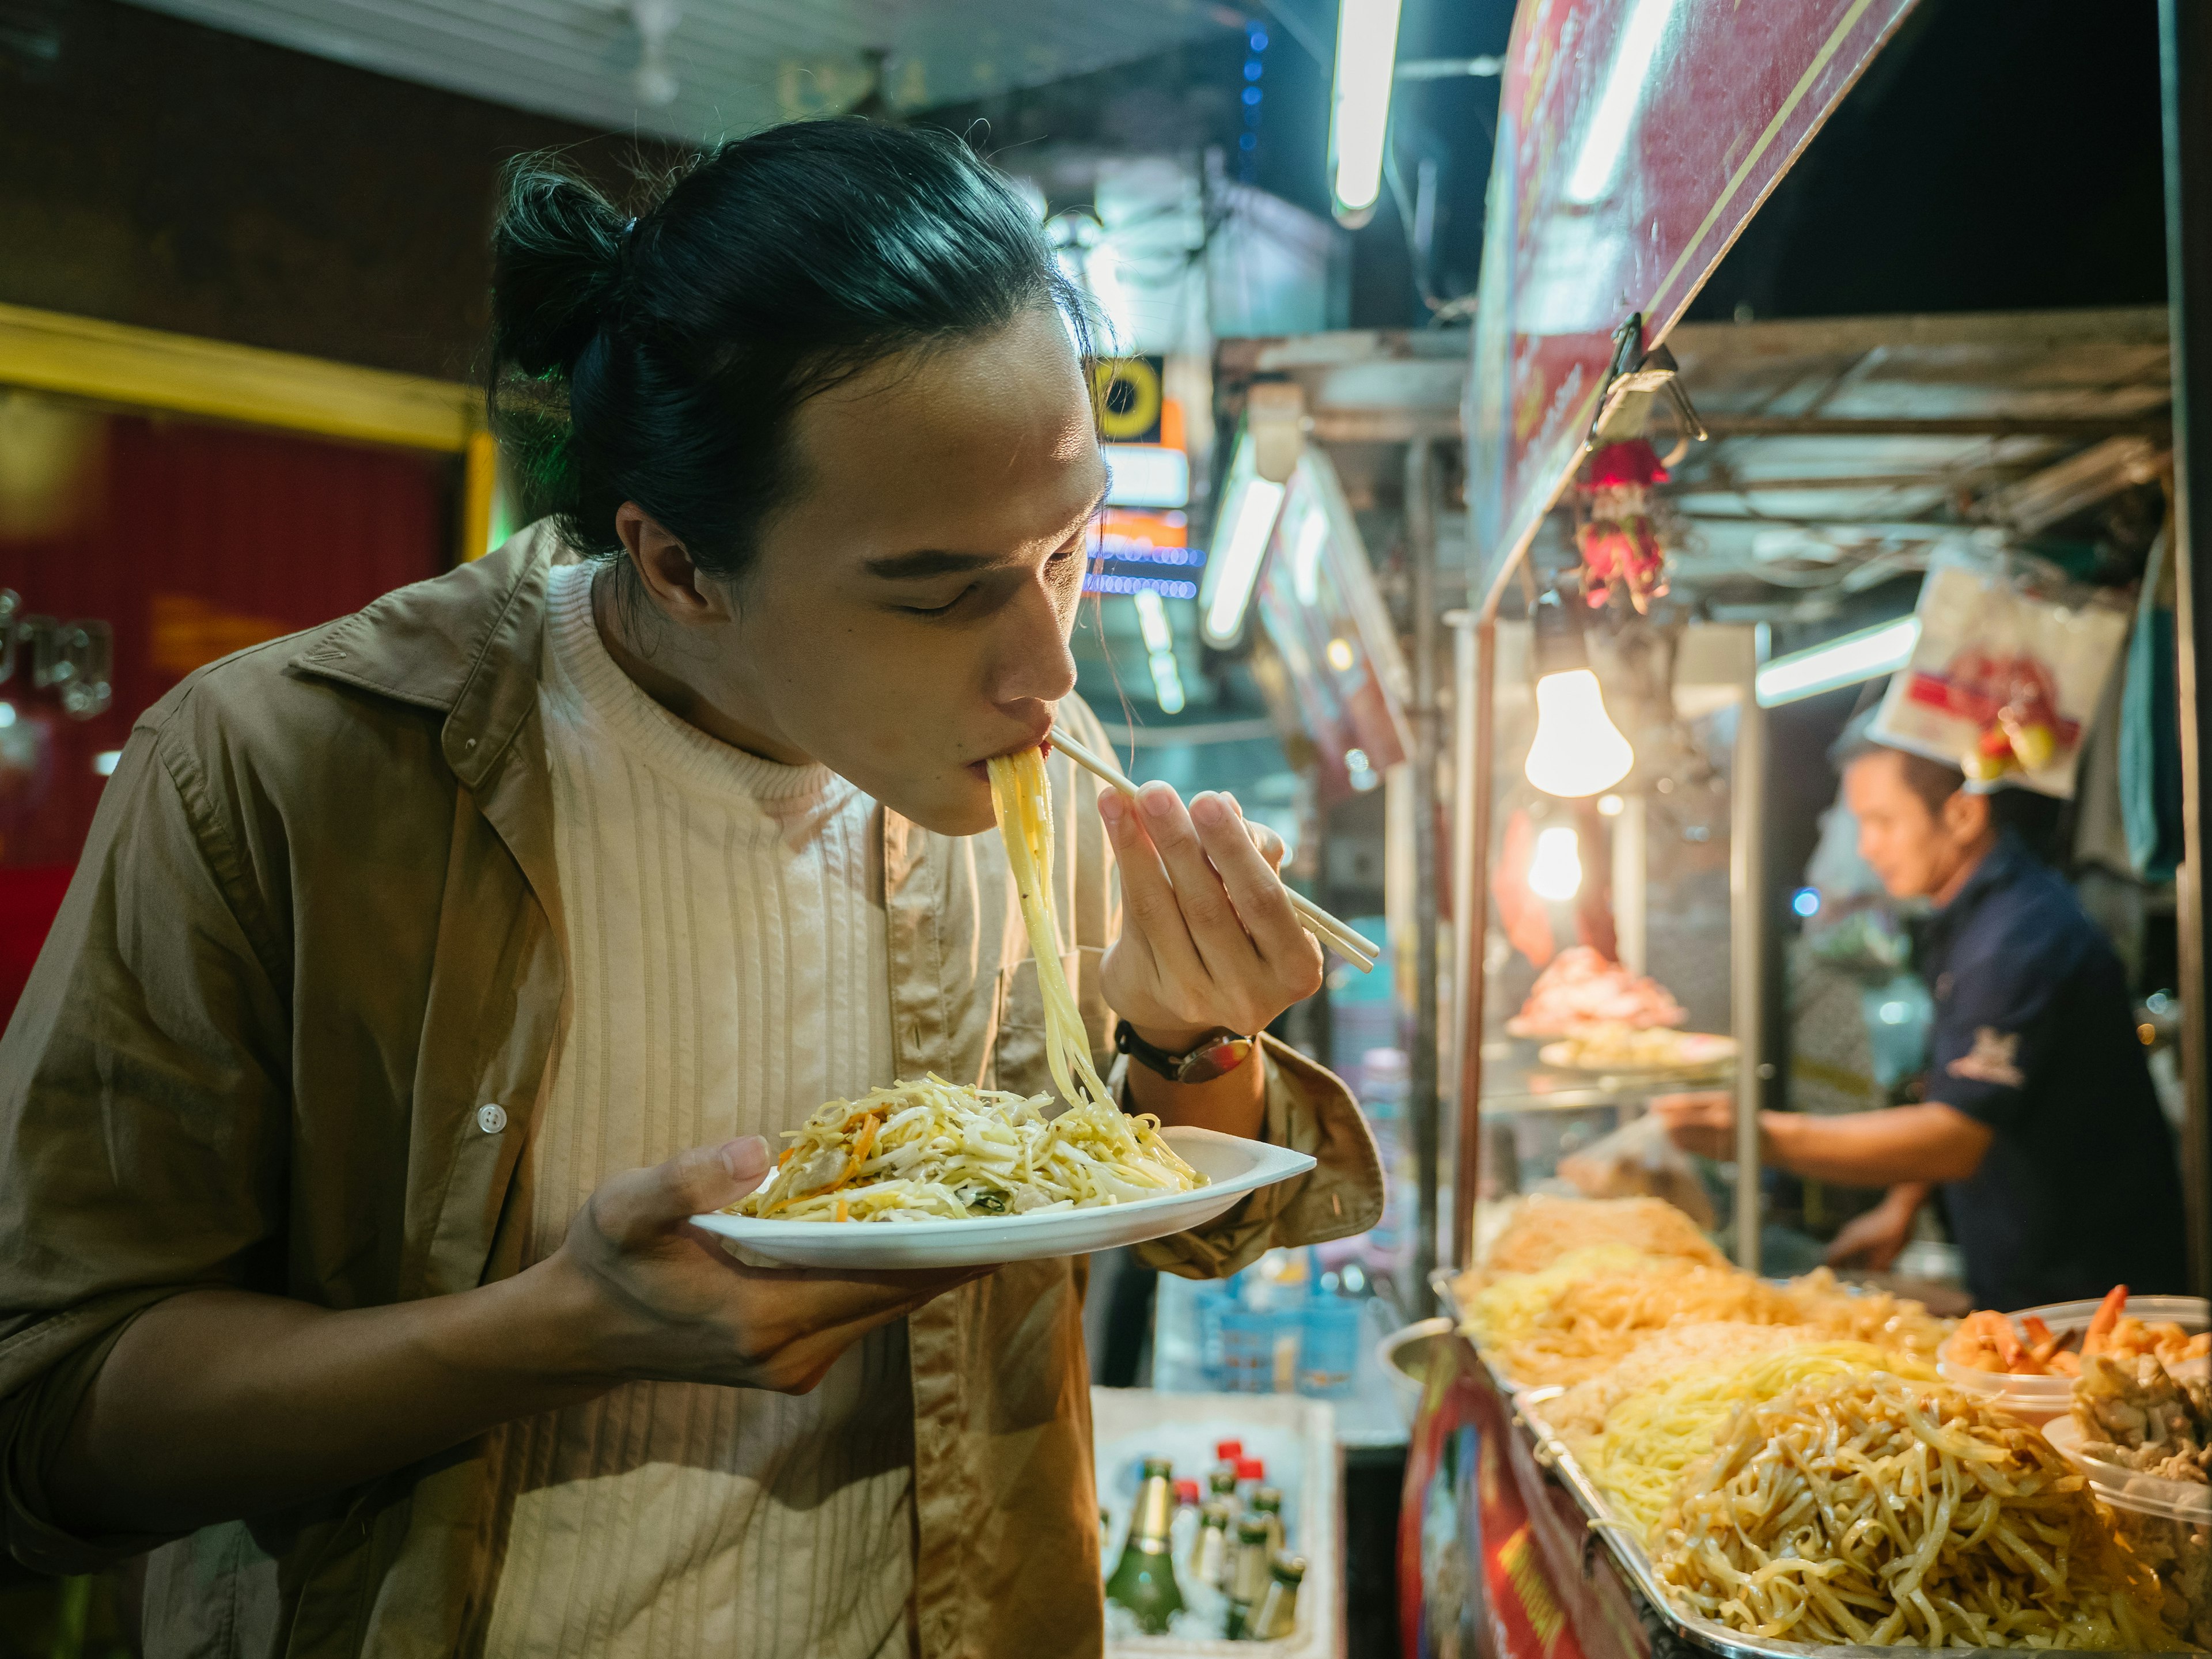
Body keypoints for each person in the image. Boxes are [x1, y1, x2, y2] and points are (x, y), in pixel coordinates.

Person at [0, 121, 1381, 1658]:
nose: (1047, 671)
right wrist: (548, 1335)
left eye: (1069, 550)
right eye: (939, 593)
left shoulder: (1027, 766)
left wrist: (1191, 1050)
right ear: (678, 568)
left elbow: (1173, 1222)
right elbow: (51, 1413)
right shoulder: (284, 770)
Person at [1657, 736, 2185, 1312]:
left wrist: (1756, 1137)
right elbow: (1956, 1081)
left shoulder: (2019, 937)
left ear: (1962, 814)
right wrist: (1901, 1207)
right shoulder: (1964, 918)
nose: (1866, 848)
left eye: (1883, 822)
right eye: (1859, 824)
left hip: (2097, 1288)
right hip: (2020, 1268)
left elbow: (1955, 1138)